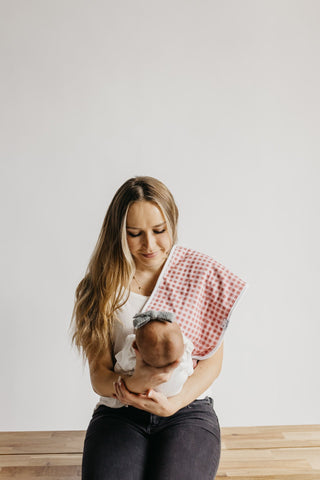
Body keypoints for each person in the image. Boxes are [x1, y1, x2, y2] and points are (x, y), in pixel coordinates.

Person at [71, 176, 246, 479]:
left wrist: (174, 403)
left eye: (159, 230)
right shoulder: (99, 287)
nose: (149, 245)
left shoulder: (198, 274)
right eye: (135, 233)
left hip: (188, 410)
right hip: (120, 412)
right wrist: (135, 384)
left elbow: (211, 362)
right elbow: (99, 376)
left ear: (172, 223)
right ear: (118, 232)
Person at [96, 310, 194, 409]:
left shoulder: (131, 354)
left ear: (135, 346)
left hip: (133, 399)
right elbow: (190, 370)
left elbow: (119, 367)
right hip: (174, 393)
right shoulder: (184, 355)